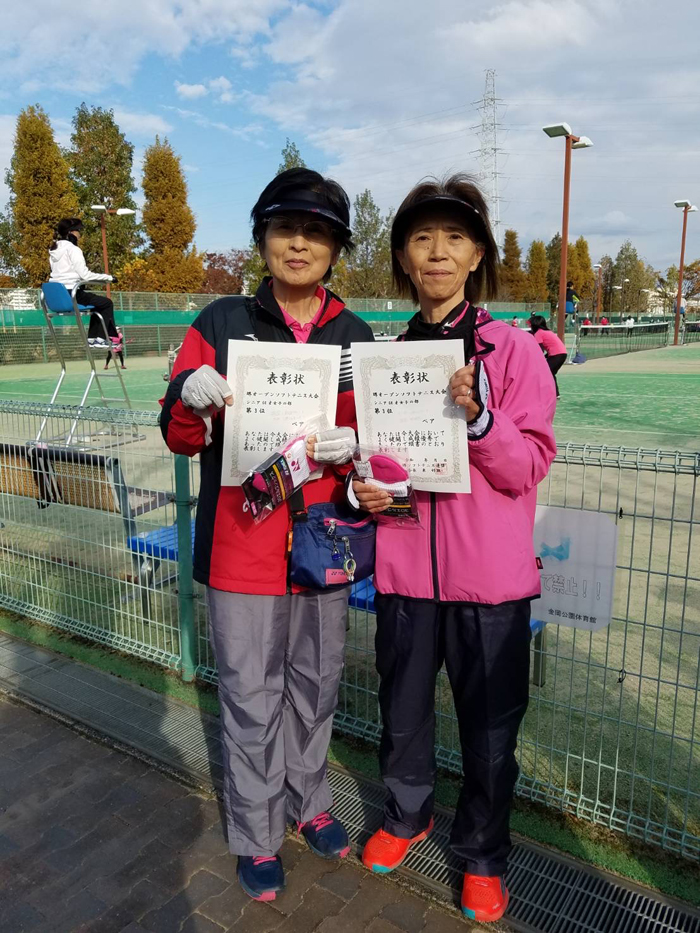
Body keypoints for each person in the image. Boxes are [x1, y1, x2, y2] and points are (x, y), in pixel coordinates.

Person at [161, 168, 374, 902]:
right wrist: (188, 397)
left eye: (317, 232)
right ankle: (256, 832)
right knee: (250, 696)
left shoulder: (354, 336)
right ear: (263, 239)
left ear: (335, 249)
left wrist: (355, 451)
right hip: (241, 544)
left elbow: (370, 454)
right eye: (286, 228)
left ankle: (308, 801)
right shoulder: (220, 321)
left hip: (323, 543)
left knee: (315, 686)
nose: (300, 243)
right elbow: (180, 437)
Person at [350, 175, 557, 924]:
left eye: (455, 238)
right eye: (421, 238)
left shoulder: (515, 350)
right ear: (404, 257)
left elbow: (528, 464)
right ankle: (407, 816)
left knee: (491, 732)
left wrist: (480, 421)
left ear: (477, 256)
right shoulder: (386, 359)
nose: (437, 252)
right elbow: (374, 465)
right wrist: (364, 490)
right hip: (405, 572)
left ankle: (481, 854)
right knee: (402, 714)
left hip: (492, 584)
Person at [48, 218, 120, 349]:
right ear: (71, 232)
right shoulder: (73, 250)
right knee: (107, 303)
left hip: (55, 297)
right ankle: (102, 339)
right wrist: (108, 278)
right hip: (71, 294)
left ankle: (92, 338)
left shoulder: (54, 250)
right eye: (78, 231)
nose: (80, 234)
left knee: (97, 303)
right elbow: (85, 275)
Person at [529, 315, 567, 399]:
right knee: (550, 373)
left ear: (534, 324)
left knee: (546, 373)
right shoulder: (547, 332)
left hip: (556, 355)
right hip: (562, 354)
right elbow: (552, 346)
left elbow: (539, 350)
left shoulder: (539, 333)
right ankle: (555, 394)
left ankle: (547, 393)